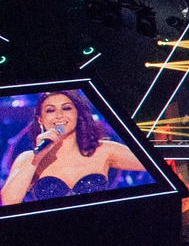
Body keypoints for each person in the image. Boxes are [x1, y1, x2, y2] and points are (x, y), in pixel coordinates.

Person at [2, 88, 150, 207]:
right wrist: (37, 158)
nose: (59, 115)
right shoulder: (29, 158)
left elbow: (153, 161)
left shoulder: (103, 150)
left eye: (66, 108)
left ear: (77, 114)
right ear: (40, 119)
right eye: (50, 110)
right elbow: (9, 201)